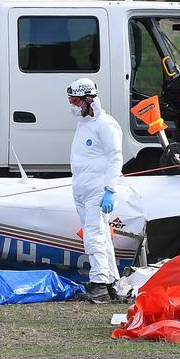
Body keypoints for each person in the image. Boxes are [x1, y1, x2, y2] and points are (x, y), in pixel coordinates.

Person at [66, 77, 124, 304]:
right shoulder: (85, 123)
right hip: (82, 190)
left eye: (75, 100)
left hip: (97, 191)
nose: (72, 105)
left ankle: (99, 284)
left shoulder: (106, 124)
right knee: (100, 236)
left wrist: (110, 189)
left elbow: (115, 158)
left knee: (94, 236)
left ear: (88, 99)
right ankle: (111, 283)